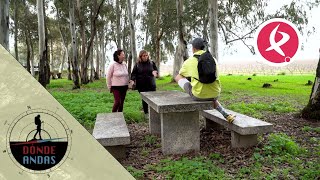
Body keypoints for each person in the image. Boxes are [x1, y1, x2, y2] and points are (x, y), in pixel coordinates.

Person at [175, 38, 236, 123]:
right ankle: (226, 115)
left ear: (193, 48)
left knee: (178, 76)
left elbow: (181, 75)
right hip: (215, 93)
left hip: (199, 96)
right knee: (209, 92)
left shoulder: (189, 61)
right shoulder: (213, 59)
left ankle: (194, 91)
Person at [130, 50, 159, 115]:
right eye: (144, 56)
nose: (145, 57)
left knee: (153, 99)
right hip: (141, 85)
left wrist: (155, 73)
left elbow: (156, 70)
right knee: (145, 99)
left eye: (146, 55)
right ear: (140, 56)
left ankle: (153, 113)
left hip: (151, 84)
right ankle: (146, 113)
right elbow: (133, 73)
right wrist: (132, 80)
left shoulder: (152, 63)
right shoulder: (137, 64)